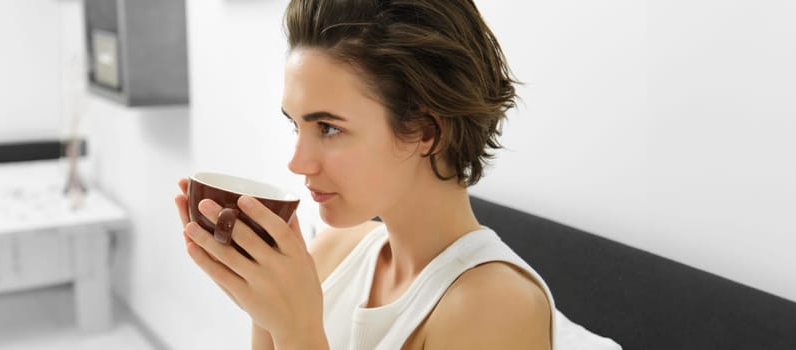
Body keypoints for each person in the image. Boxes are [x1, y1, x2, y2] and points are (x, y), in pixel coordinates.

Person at [175, 0, 555, 348]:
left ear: (426, 132)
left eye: (327, 128)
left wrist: (298, 330)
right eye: (296, 126)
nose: (298, 163)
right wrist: (262, 309)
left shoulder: (497, 307)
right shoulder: (333, 251)